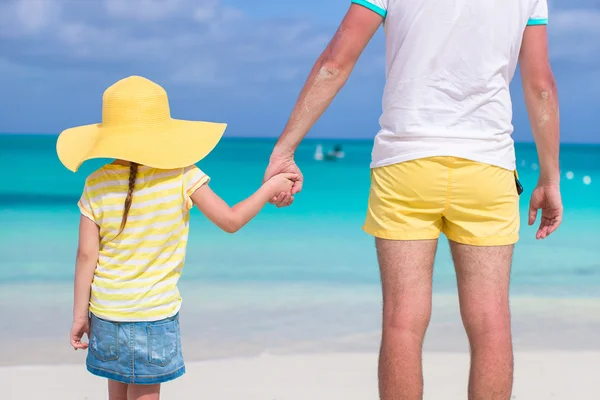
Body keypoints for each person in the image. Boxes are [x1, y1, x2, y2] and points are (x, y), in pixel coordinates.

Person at [263, 1, 562, 399]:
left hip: (406, 162)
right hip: (487, 168)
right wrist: (549, 176)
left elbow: (335, 62)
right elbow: (540, 84)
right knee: (491, 323)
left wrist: (285, 149)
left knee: (402, 322)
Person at [59, 76, 297, 400]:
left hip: (106, 312)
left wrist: (78, 316)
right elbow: (230, 220)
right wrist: (270, 188)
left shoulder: (96, 183)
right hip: (153, 314)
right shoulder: (181, 173)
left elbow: (86, 256)